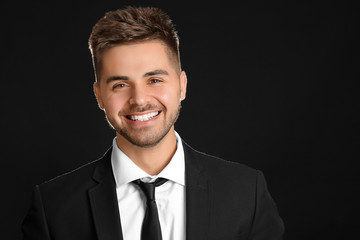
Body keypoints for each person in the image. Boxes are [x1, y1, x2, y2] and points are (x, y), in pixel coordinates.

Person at [22, 6, 284, 240]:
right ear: (99, 95)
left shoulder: (246, 193)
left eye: (155, 80)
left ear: (182, 86)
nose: (139, 100)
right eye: (120, 85)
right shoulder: (53, 207)